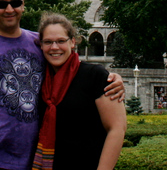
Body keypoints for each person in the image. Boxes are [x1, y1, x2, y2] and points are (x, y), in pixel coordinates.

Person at [0, 0, 124, 170]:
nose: (9, 9)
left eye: (15, 3)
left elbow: (69, 71)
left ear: (23, 4)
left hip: (30, 161)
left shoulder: (37, 44)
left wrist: (112, 78)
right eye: (1, 4)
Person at [32, 13, 126, 170]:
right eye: (48, 42)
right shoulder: (38, 80)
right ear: (40, 45)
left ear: (73, 42)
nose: (54, 47)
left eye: (61, 41)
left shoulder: (95, 76)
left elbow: (117, 129)